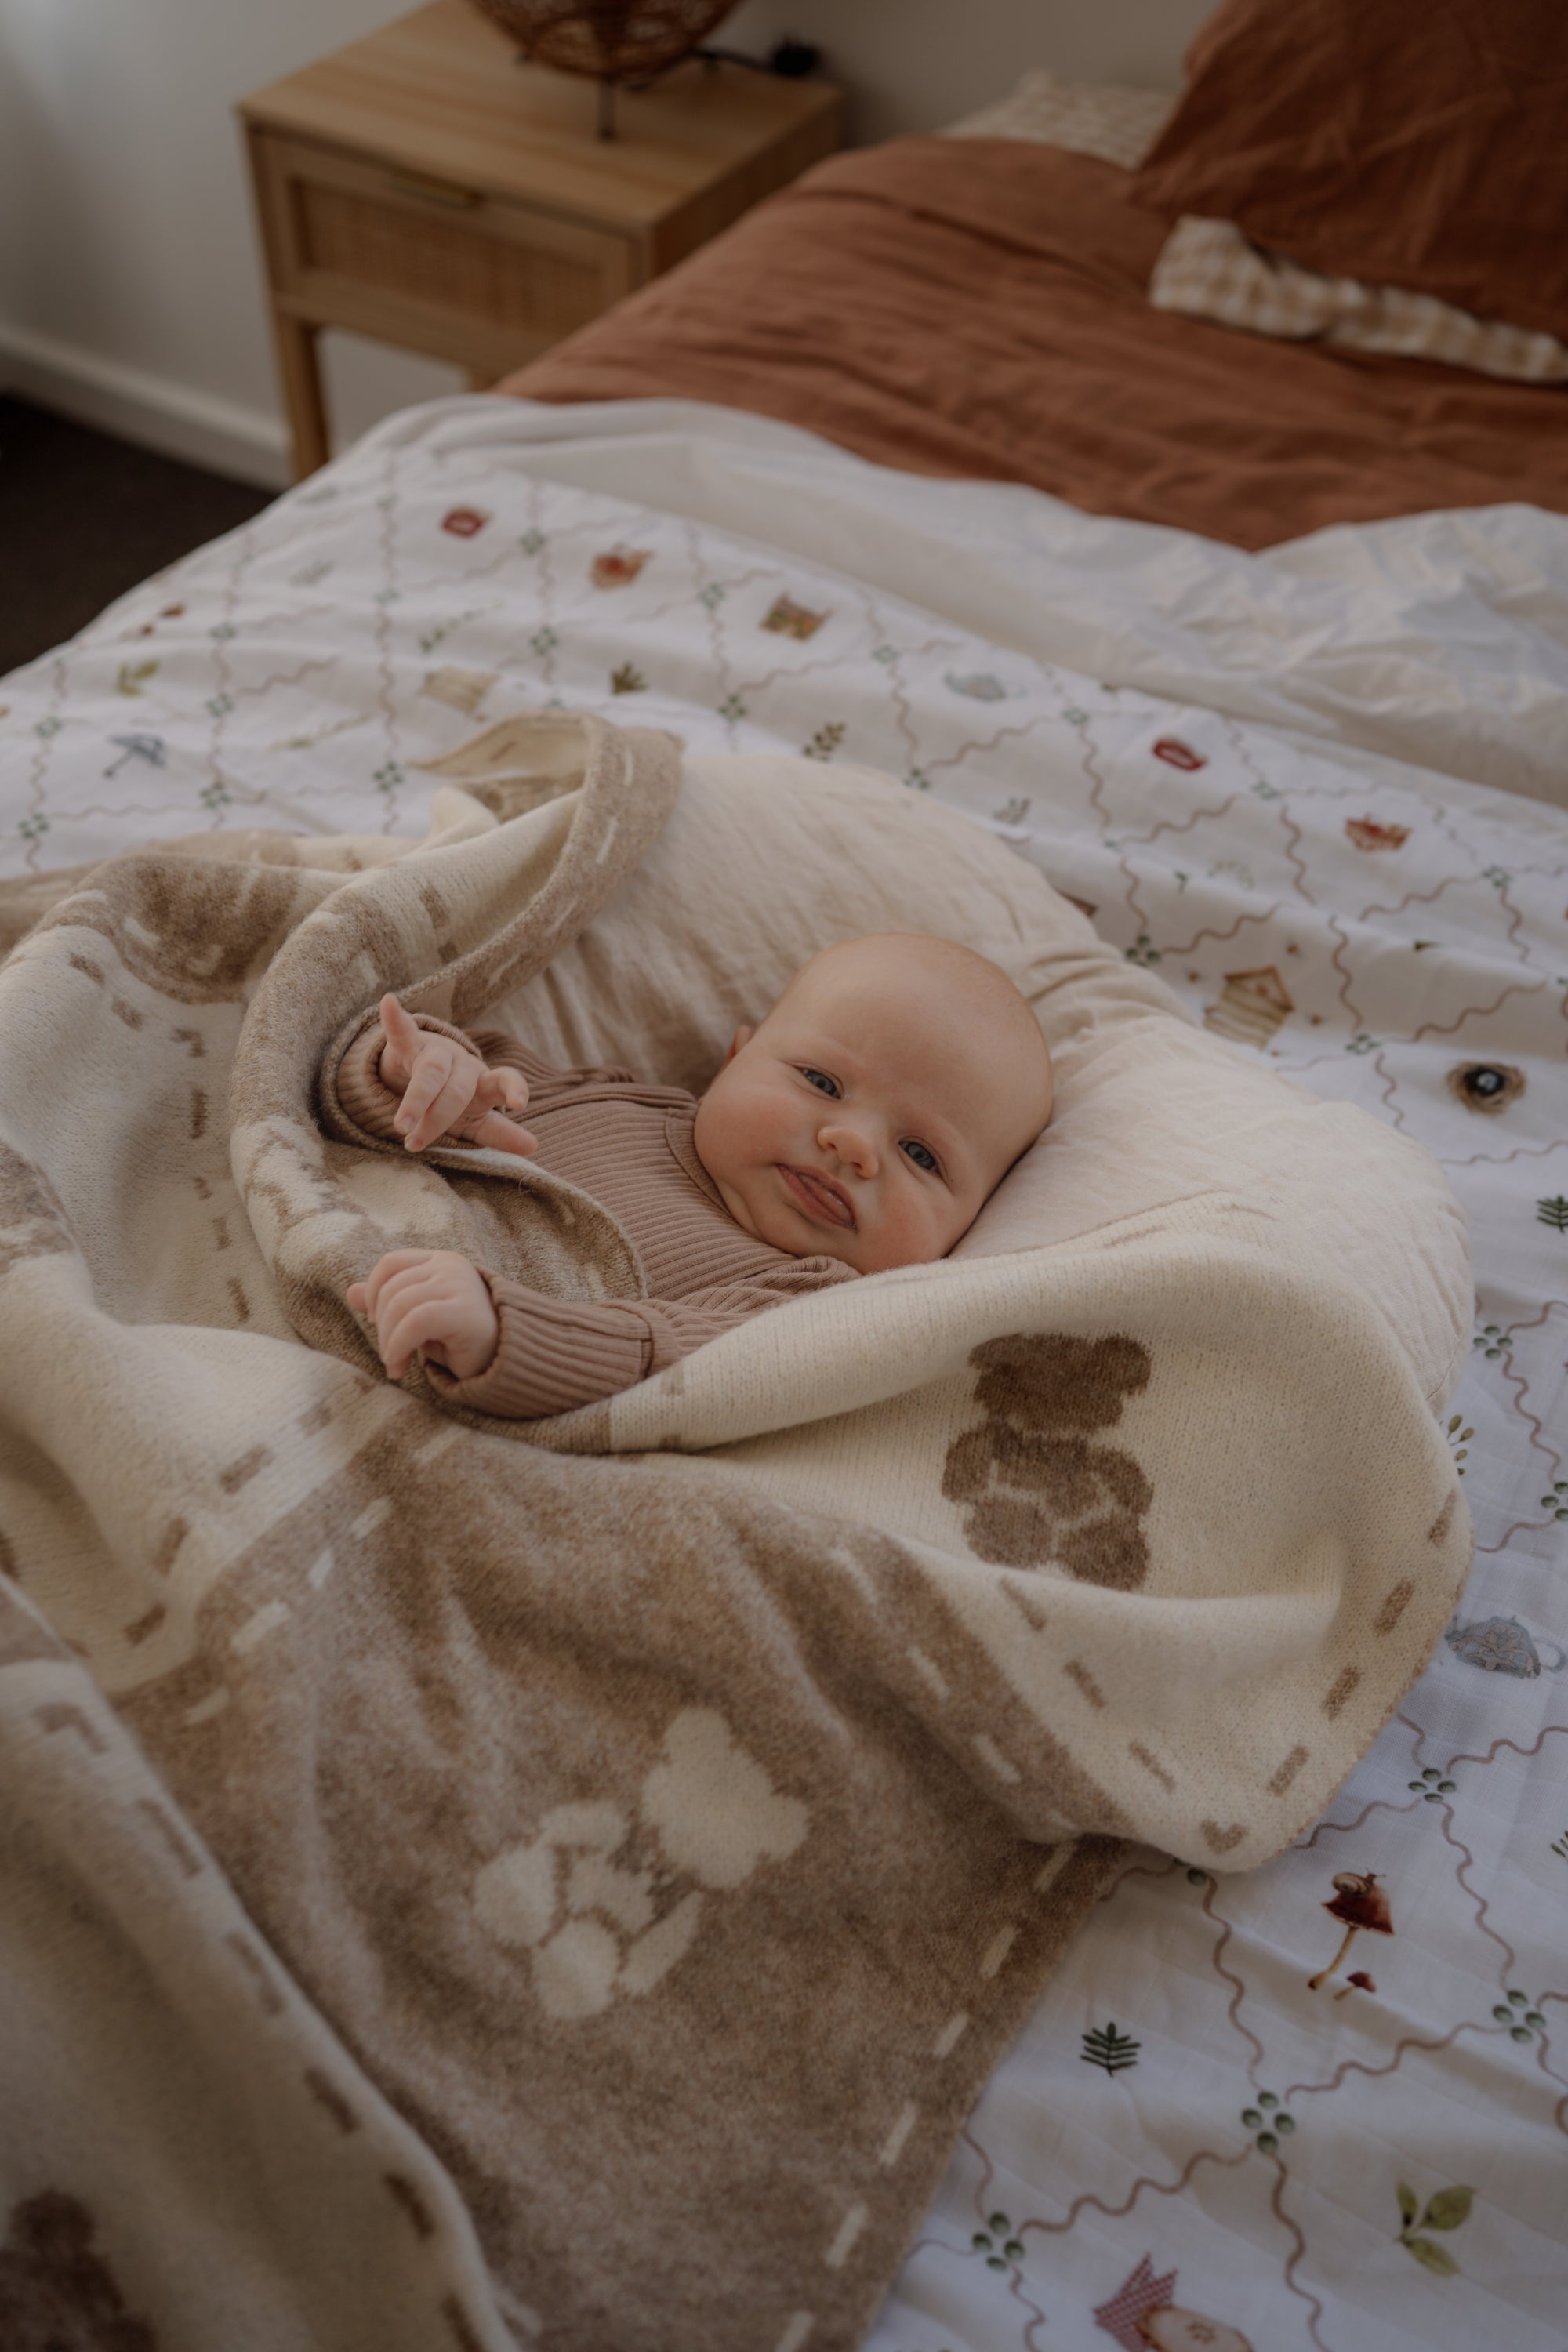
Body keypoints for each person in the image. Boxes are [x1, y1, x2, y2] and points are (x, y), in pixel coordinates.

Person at [342, 931, 1054, 1419]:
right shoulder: (612, 1102)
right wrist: (416, 1074)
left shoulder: (806, 1302)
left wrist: (504, 1332)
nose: (854, 1146)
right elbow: (386, 1103)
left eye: (922, 1155)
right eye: (822, 1082)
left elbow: (664, 1365)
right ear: (734, 1061)